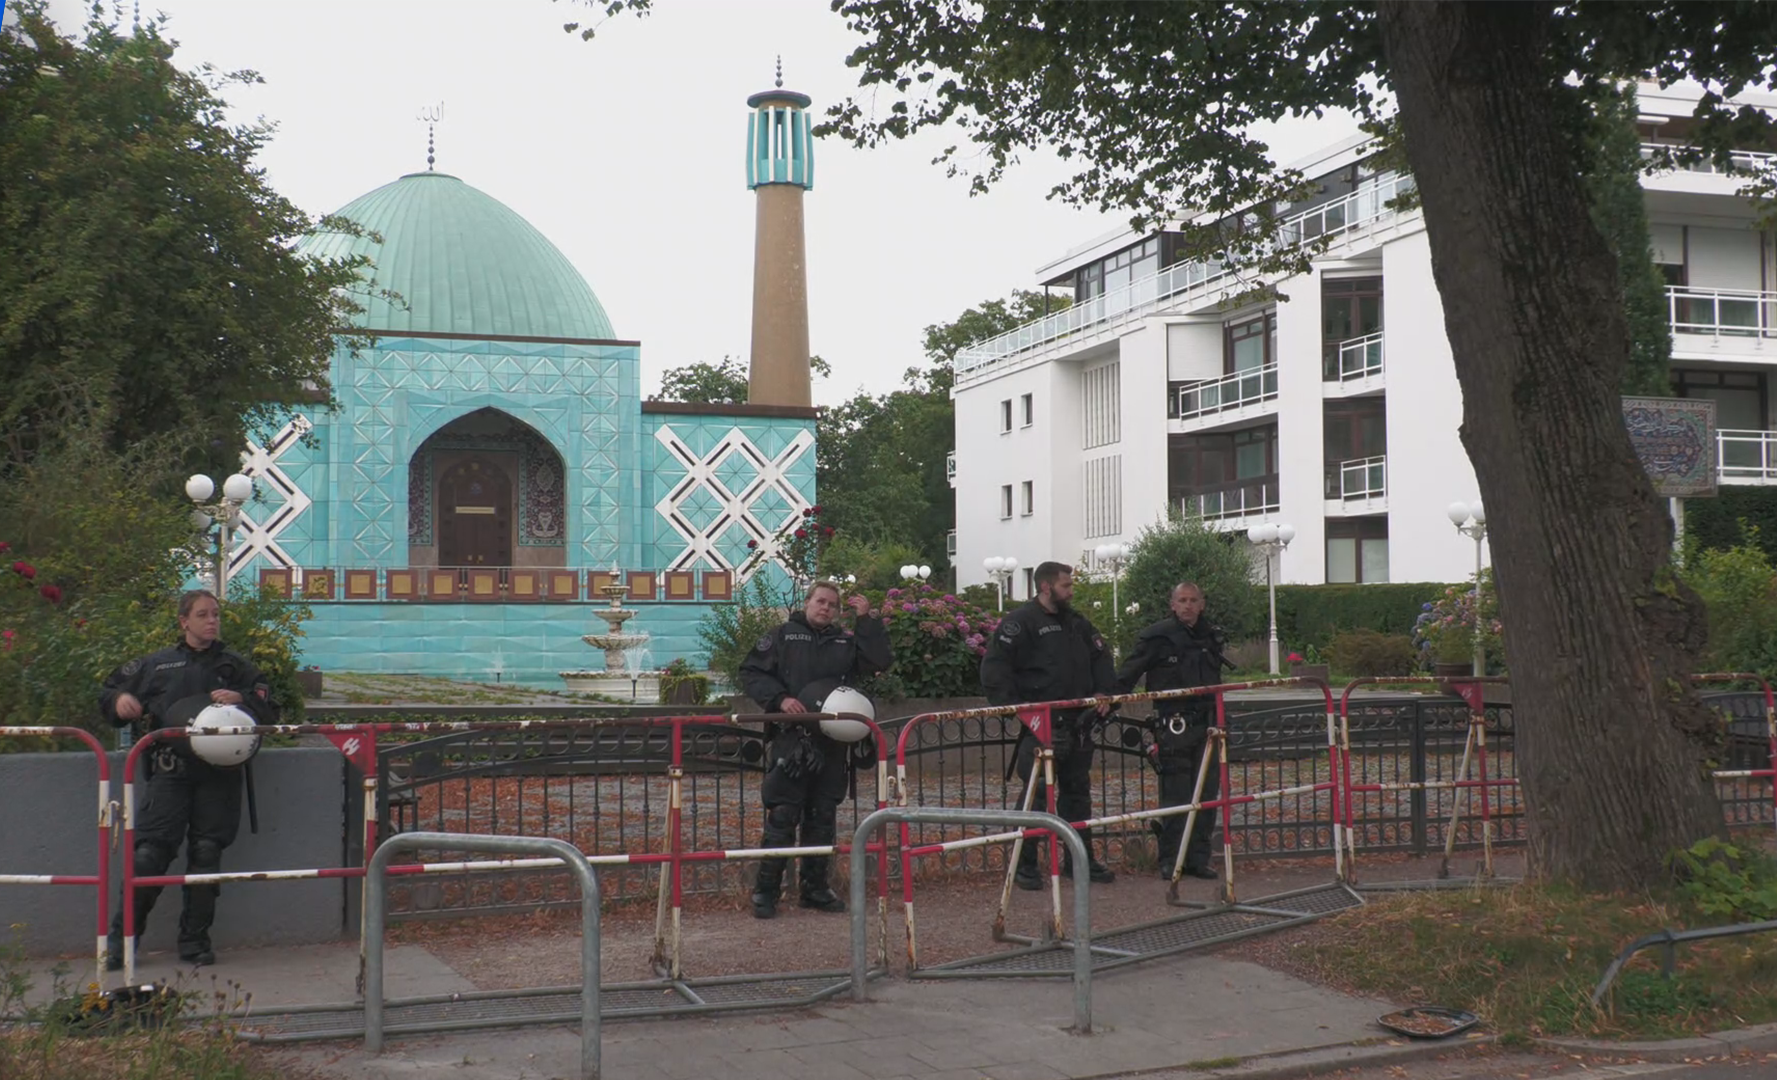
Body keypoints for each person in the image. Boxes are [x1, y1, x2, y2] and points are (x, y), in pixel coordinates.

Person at [101, 589, 276, 969]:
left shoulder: (236, 667)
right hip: (170, 774)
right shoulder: (157, 665)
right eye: (202, 614)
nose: (211, 620)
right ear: (184, 621)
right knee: (149, 855)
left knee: (206, 854)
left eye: (215, 614)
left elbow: (270, 707)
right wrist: (119, 703)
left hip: (218, 777)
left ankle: (195, 940)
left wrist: (242, 700)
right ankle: (122, 940)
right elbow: (110, 691)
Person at [739, 580, 891, 919]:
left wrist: (867, 621)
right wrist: (780, 699)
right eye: (820, 601)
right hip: (792, 738)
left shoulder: (845, 643)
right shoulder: (781, 635)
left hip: (832, 742)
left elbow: (879, 660)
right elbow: (751, 672)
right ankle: (765, 892)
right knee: (782, 817)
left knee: (822, 817)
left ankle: (815, 889)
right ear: (807, 602)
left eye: (832, 605)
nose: (825, 608)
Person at [980, 561, 1118, 890]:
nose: (1071, 591)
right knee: (1036, 796)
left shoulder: (1076, 622)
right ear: (1046, 587)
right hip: (1042, 723)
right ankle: (1025, 865)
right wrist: (1018, 709)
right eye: (1066, 586)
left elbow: (1102, 657)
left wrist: (1103, 693)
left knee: (1077, 795)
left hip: (1079, 721)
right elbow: (995, 668)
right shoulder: (1020, 622)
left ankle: (1079, 860)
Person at [1116, 582, 1230, 880]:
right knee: (1176, 796)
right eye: (1182, 600)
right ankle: (1171, 859)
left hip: (1207, 722)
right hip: (1174, 723)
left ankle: (1198, 859)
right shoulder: (1159, 636)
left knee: (1206, 793)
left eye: (1193, 600)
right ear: (1173, 604)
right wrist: (1107, 698)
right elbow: (1130, 671)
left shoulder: (1210, 636)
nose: (1188, 606)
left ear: (1201, 604)